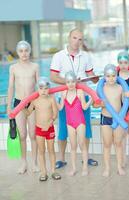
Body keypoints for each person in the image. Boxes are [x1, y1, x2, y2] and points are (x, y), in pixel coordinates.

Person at [50, 28, 99, 168]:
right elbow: (53, 77)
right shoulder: (58, 56)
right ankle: (61, 159)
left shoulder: (86, 56)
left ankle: (86, 157)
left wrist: (96, 78)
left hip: (82, 97)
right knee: (63, 130)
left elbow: (91, 74)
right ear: (68, 37)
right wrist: (70, 82)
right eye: (74, 38)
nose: (77, 42)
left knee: (86, 128)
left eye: (80, 39)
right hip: (65, 98)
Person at [7, 41, 39, 174]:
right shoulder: (13, 68)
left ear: (29, 51)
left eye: (26, 50)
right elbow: (11, 87)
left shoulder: (35, 66)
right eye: (21, 51)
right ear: (18, 53)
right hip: (18, 103)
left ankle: (35, 162)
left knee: (32, 134)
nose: (24, 53)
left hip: (32, 102)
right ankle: (23, 162)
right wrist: (9, 107)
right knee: (22, 135)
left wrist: (36, 104)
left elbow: (39, 86)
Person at [24, 77, 61, 181]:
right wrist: (22, 107)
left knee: (51, 150)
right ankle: (43, 172)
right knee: (41, 151)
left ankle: (53, 171)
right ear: (37, 89)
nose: (44, 91)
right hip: (39, 130)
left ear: (49, 89)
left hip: (49, 129)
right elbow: (28, 113)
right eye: (41, 88)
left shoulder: (51, 99)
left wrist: (49, 123)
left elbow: (55, 114)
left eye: (46, 88)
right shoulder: (35, 101)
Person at [99, 64, 129, 177]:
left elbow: (125, 101)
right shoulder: (101, 88)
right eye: (108, 76)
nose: (111, 78)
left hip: (118, 119)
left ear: (116, 76)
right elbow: (95, 104)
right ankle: (107, 168)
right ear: (104, 77)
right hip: (106, 118)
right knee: (107, 144)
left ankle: (119, 167)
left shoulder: (120, 88)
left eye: (113, 75)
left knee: (118, 143)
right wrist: (99, 103)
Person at [57, 71, 93, 176]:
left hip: (80, 122)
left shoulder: (80, 92)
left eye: (73, 81)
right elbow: (60, 108)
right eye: (68, 82)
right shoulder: (64, 93)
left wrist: (92, 98)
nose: (71, 84)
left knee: (82, 145)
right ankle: (73, 168)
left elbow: (84, 107)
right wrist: (53, 99)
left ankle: (85, 167)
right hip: (69, 123)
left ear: (76, 81)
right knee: (73, 146)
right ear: (65, 83)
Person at [117, 51, 129, 167]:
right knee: (122, 135)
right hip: (120, 109)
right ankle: (122, 159)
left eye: (125, 62)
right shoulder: (115, 75)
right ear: (118, 63)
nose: (123, 65)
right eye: (121, 62)